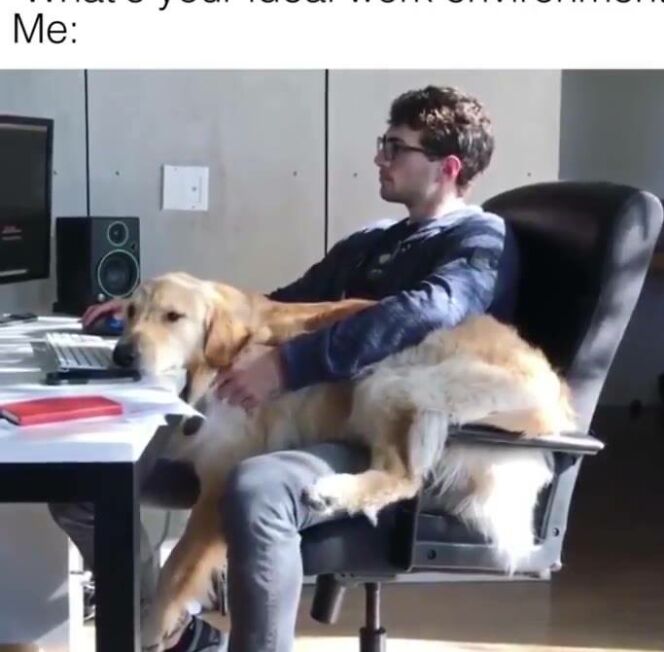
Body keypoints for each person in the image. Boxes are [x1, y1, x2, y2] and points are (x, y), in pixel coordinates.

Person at [49, 85, 519, 652]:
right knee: (83, 481)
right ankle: (170, 630)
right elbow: (269, 311)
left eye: (396, 148)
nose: (379, 157)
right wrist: (149, 322)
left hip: (384, 432)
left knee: (256, 488)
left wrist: (288, 366)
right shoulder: (372, 241)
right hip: (296, 418)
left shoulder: (478, 238)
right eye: (383, 143)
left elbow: (430, 313)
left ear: (447, 167)